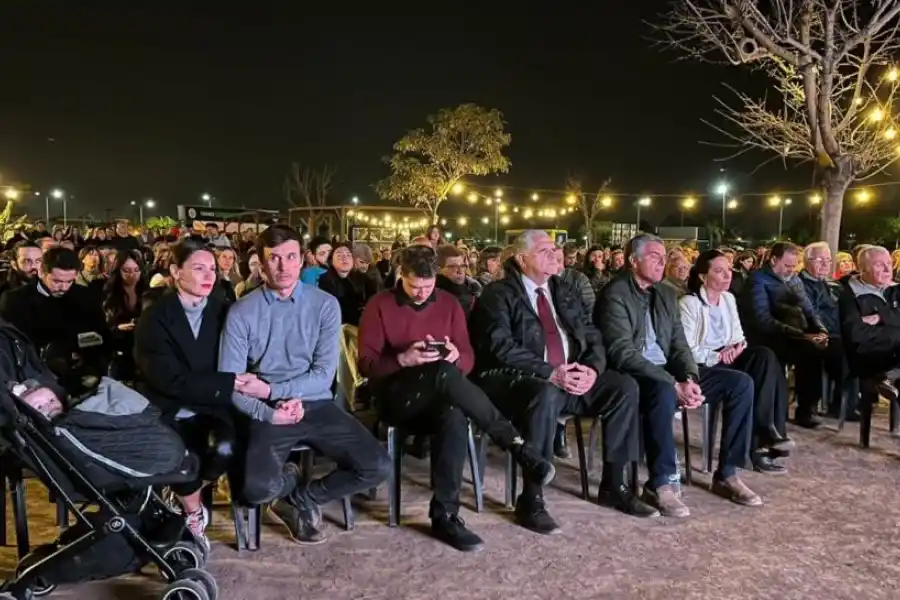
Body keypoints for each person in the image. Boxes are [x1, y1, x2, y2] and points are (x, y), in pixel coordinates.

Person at [359, 245, 554, 550]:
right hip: (396, 395)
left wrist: (454, 356)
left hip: (440, 394)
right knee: (443, 374)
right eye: (414, 286)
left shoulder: (448, 303)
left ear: (436, 278)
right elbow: (367, 365)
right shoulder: (380, 304)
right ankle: (517, 446)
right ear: (401, 276)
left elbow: (468, 358)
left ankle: (446, 515)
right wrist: (404, 359)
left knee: (453, 411)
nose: (421, 293)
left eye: (428, 286)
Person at [471, 230, 654, 535]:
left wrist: (592, 370)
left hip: (568, 376)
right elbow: (499, 347)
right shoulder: (498, 294)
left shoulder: (563, 290)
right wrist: (550, 372)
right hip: (518, 382)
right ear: (521, 258)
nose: (554, 254)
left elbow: (593, 335)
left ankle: (615, 485)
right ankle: (531, 499)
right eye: (544, 250)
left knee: (623, 388)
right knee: (544, 395)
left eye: (555, 249)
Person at [218, 225, 389, 545]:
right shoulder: (242, 311)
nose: (283, 266)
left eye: (291, 257)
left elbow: (324, 375)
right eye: (274, 258)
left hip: (315, 401)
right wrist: (269, 410)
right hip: (268, 412)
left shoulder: (324, 305)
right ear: (261, 262)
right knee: (254, 490)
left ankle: (302, 499)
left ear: (303, 260)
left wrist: (272, 390)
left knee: (377, 466)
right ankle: (291, 478)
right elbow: (232, 384)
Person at [597, 234, 761, 518]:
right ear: (633, 261)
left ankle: (727, 473)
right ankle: (660, 483)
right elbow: (622, 352)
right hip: (635, 373)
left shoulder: (665, 294)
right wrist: (672, 383)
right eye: (653, 256)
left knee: (740, 384)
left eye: (664, 256)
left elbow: (679, 344)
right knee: (661, 390)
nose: (662, 261)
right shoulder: (616, 293)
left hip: (669, 372)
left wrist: (689, 377)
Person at [134, 239, 242, 548]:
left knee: (223, 448)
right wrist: (226, 381)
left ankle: (182, 491)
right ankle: (193, 509)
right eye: (198, 268)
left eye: (212, 268)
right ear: (175, 271)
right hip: (167, 407)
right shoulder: (154, 316)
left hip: (213, 406)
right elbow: (167, 379)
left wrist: (227, 383)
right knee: (178, 455)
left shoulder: (224, 310)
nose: (209, 275)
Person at [680, 250, 792, 473]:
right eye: (719, 271)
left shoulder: (729, 299)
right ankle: (760, 439)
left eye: (728, 270)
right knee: (744, 380)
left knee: (766, 358)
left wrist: (737, 347)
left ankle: (767, 430)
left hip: (730, 356)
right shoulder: (689, 303)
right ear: (703, 276)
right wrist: (718, 356)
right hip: (705, 362)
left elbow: (738, 335)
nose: (727, 275)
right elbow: (688, 349)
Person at [742, 242, 828, 428]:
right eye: (787, 265)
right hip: (768, 337)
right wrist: (802, 336)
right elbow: (763, 320)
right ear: (774, 260)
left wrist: (820, 330)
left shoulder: (794, 280)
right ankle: (774, 419)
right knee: (800, 351)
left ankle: (807, 409)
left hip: (793, 334)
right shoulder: (757, 280)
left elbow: (809, 310)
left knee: (819, 350)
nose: (791, 270)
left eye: (794, 266)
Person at [318, 242, 377, 326]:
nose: (344, 258)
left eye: (348, 255)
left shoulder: (365, 279)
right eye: (339, 255)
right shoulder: (324, 281)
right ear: (331, 261)